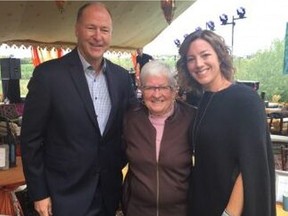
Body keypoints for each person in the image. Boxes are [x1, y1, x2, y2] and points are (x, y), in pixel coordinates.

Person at [20, 2, 137, 216]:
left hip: (108, 193)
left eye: (105, 30)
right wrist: (39, 193)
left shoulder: (122, 78)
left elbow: (130, 128)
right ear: (76, 29)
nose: (98, 36)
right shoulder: (48, 76)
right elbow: (30, 140)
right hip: (62, 196)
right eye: (91, 28)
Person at [176, 29, 276, 216]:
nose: (198, 64)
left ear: (220, 57)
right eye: (191, 59)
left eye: (205, 55)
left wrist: (229, 213)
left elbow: (251, 166)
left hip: (230, 208)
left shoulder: (245, 100)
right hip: (203, 202)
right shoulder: (204, 99)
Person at [122, 60, 196, 216]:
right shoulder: (130, 119)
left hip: (180, 211)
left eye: (163, 87)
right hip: (138, 210)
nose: (156, 94)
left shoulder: (191, 118)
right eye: (149, 87)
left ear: (174, 90)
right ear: (141, 90)